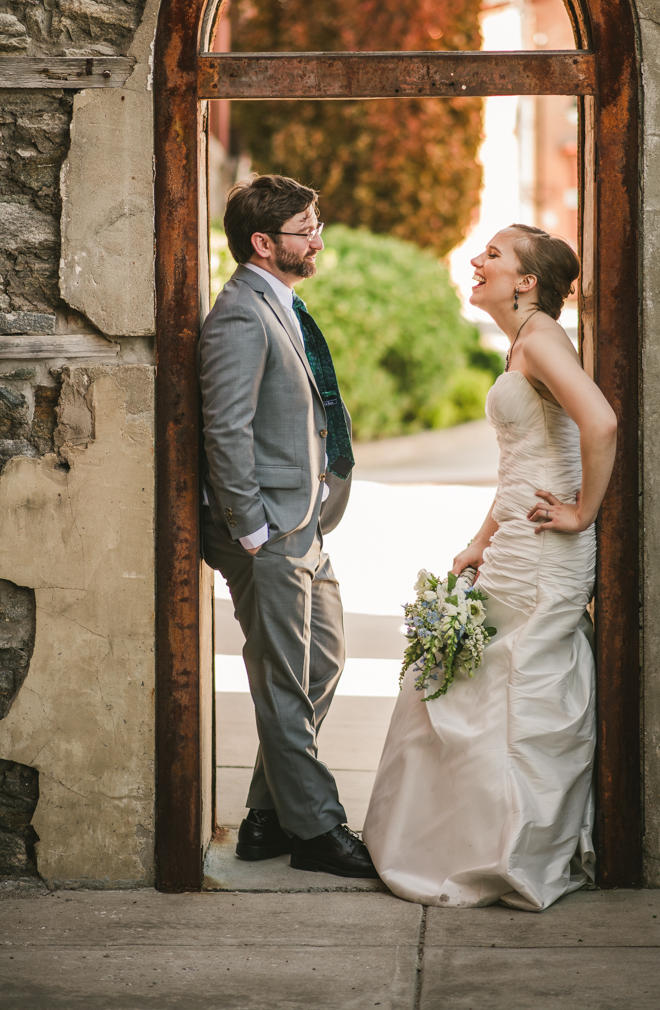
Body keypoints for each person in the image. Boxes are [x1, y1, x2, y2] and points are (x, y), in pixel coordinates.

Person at [363, 224, 617, 910]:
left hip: (544, 556)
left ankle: (508, 853)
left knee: (513, 694)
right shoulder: (524, 344)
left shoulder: (538, 340)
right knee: (465, 684)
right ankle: (466, 845)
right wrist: (481, 538)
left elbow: (601, 424)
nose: (478, 262)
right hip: (513, 546)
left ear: (527, 282)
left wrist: (581, 513)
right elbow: (521, 465)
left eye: (494, 255)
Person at [198, 173, 377, 879]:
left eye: (317, 225)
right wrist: (250, 528)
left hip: (303, 528)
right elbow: (226, 430)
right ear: (264, 244)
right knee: (283, 679)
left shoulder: (281, 303)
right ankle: (316, 831)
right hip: (267, 533)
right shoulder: (242, 313)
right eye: (306, 230)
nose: (319, 239)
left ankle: (266, 817)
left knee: (324, 661)